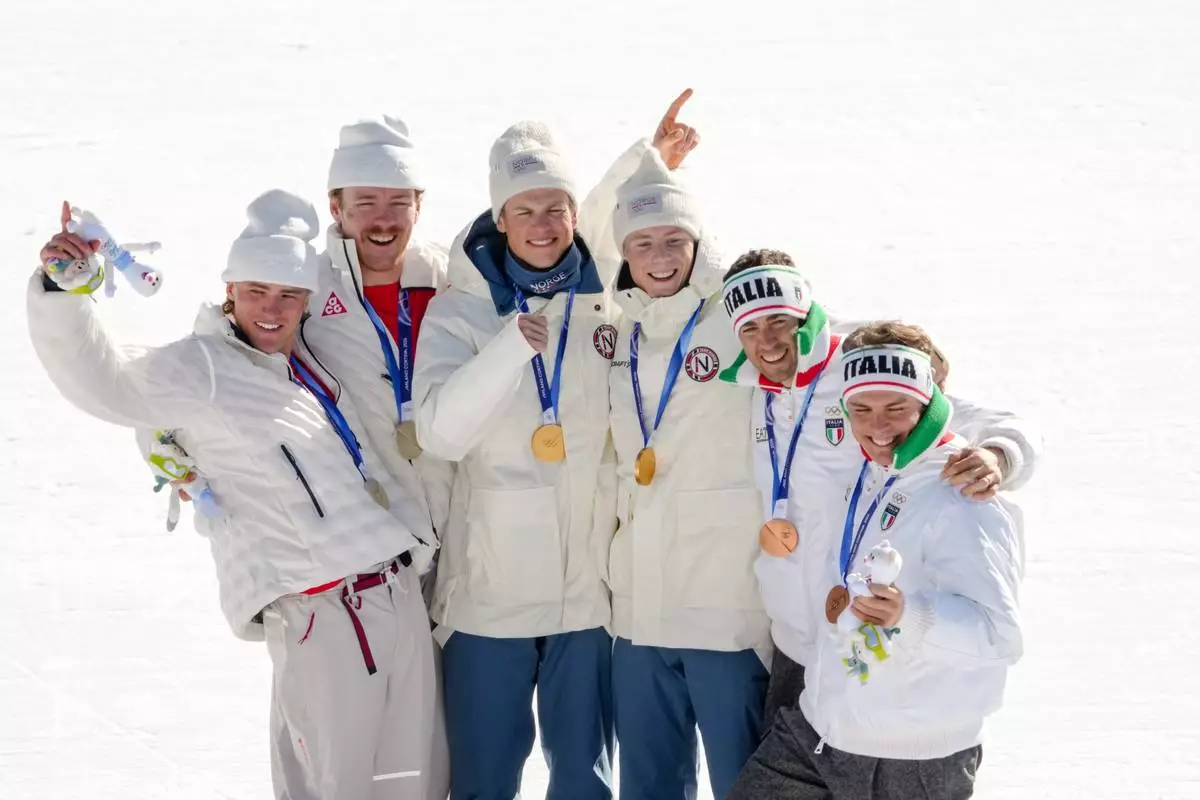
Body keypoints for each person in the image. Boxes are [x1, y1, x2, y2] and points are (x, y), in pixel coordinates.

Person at [29, 191, 439, 800]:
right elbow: (106, 383)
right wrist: (66, 291)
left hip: (398, 598)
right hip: (321, 617)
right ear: (230, 291)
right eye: (255, 292)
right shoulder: (204, 368)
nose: (271, 310)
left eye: (288, 296)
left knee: (416, 784)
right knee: (336, 787)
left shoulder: (308, 364)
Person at [410, 93, 696, 799]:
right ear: (497, 218)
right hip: (488, 599)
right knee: (482, 781)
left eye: (555, 209)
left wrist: (652, 160)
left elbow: (610, 217)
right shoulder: (462, 309)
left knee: (584, 781)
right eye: (525, 210)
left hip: (587, 600)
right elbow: (440, 432)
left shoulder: (602, 299)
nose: (543, 226)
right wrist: (509, 349)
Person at [716, 250, 1040, 740]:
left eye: (781, 321)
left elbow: (982, 419)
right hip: (794, 639)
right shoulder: (751, 386)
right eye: (751, 328)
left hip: (867, 642)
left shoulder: (860, 367)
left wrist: (999, 454)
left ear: (805, 312)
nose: (770, 341)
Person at [601, 111, 773, 799]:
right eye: (643, 243)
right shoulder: (619, 328)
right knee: (647, 787)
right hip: (637, 617)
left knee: (744, 784)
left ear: (701, 246)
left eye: (675, 239)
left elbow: (856, 366)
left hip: (723, 611)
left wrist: (995, 443)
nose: (661, 255)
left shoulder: (742, 316)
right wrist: (644, 158)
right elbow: (557, 234)